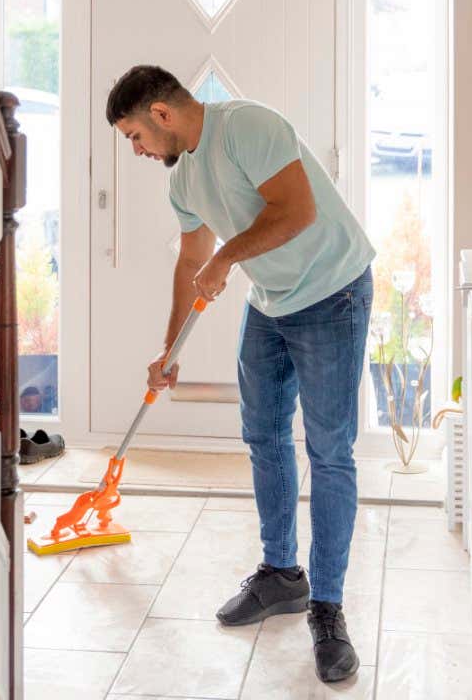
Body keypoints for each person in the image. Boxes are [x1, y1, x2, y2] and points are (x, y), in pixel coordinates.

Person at [105, 65, 375, 683]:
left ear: (162, 114)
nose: (138, 150)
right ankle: (282, 574)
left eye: (135, 136)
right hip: (272, 303)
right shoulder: (183, 180)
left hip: (333, 293)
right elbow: (192, 259)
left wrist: (229, 256)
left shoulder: (246, 126)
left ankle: (328, 609)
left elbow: (298, 211)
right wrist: (168, 350)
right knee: (262, 436)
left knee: (330, 451)